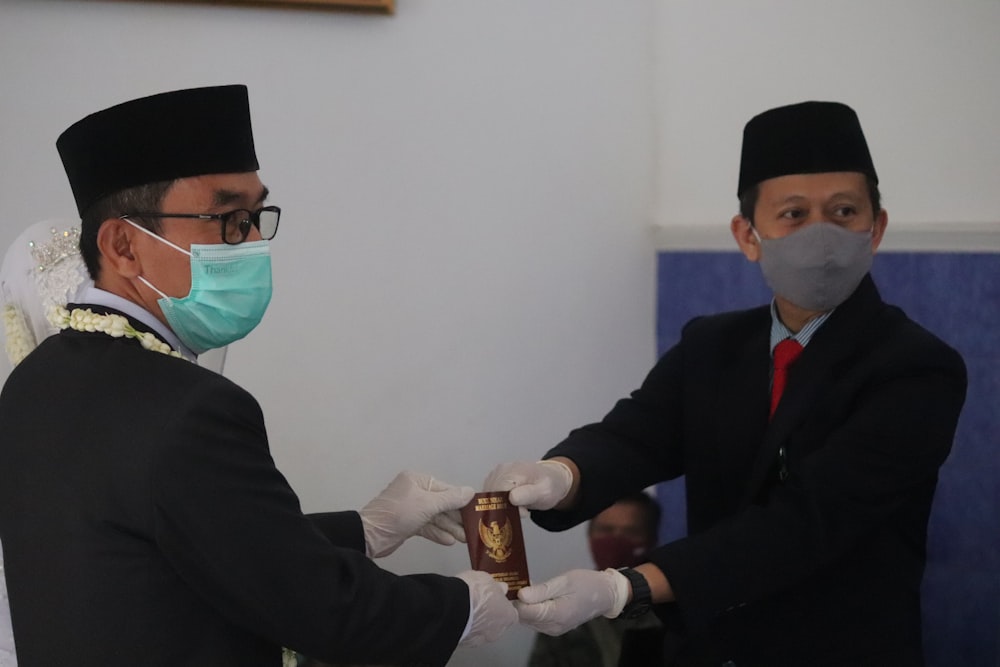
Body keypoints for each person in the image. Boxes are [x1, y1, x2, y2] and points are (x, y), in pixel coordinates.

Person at [0, 85, 517, 667]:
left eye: (253, 218)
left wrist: (364, 530)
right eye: (225, 220)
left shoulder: (35, 382)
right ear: (123, 245)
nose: (250, 244)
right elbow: (326, 612)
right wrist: (463, 606)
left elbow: (180, 546)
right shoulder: (190, 409)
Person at [484, 101, 968, 666]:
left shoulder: (915, 368)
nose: (821, 234)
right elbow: (635, 438)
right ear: (748, 235)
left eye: (843, 212)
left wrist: (628, 587)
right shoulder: (712, 346)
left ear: (876, 227)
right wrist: (557, 476)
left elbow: (806, 524)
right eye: (793, 214)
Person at [526, 492, 664, 667]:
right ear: (590, 535)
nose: (615, 540)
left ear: (652, 538)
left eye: (631, 532)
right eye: (606, 530)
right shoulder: (566, 605)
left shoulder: (672, 605)